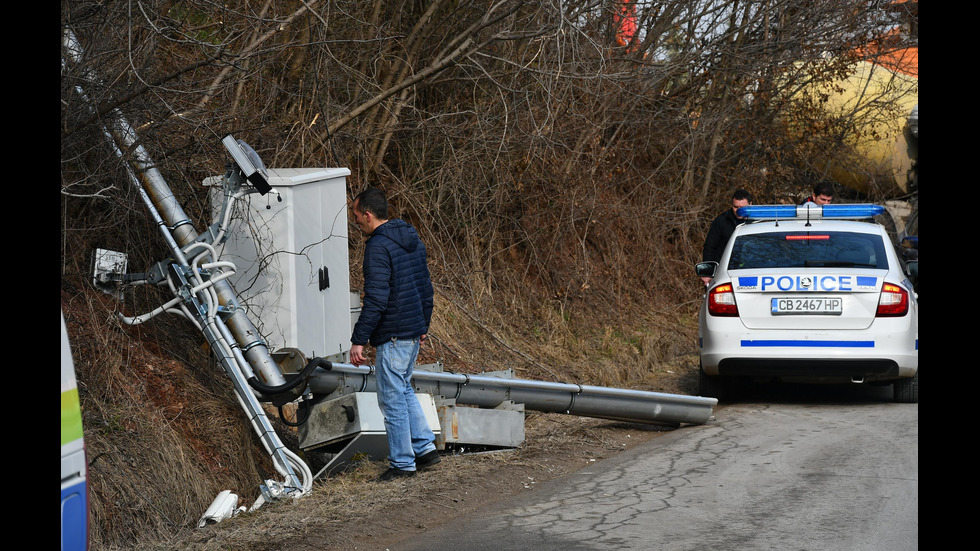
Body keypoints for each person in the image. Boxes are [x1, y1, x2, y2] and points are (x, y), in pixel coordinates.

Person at [349, 187, 441, 481]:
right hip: (412, 330)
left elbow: (375, 298)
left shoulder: (378, 246)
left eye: (355, 215)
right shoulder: (411, 238)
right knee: (403, 389)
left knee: (392, 399)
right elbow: (426, 288)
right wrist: (422, 325)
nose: (355, 221)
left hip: (393, 335)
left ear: (367, 214)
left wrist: (359, 339)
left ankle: (402, 464)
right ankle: (425, 449)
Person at [701, 189, 753, 285]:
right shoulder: (721, 221)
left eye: (742, 207)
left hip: (753, 271)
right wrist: (708, 272)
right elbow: (710, 247)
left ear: (750, 204)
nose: (739, 210)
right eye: (735, 207)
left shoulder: (758, 222)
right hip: (724, 273)